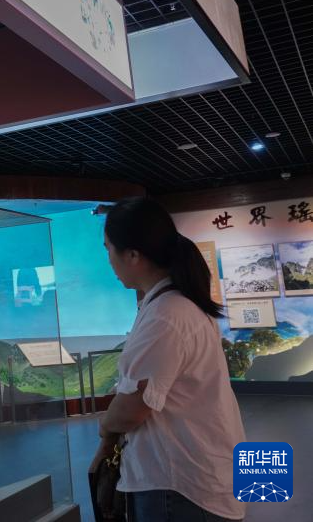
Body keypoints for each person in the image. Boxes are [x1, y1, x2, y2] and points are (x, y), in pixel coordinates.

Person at [93, 197, 245, 521]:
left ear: (133, 255)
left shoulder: (166, 315)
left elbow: (133, 408)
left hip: (178, 487)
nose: (108, 260)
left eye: (108, 249)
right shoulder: (175, 305)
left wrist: (105, 429)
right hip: (194, 478)